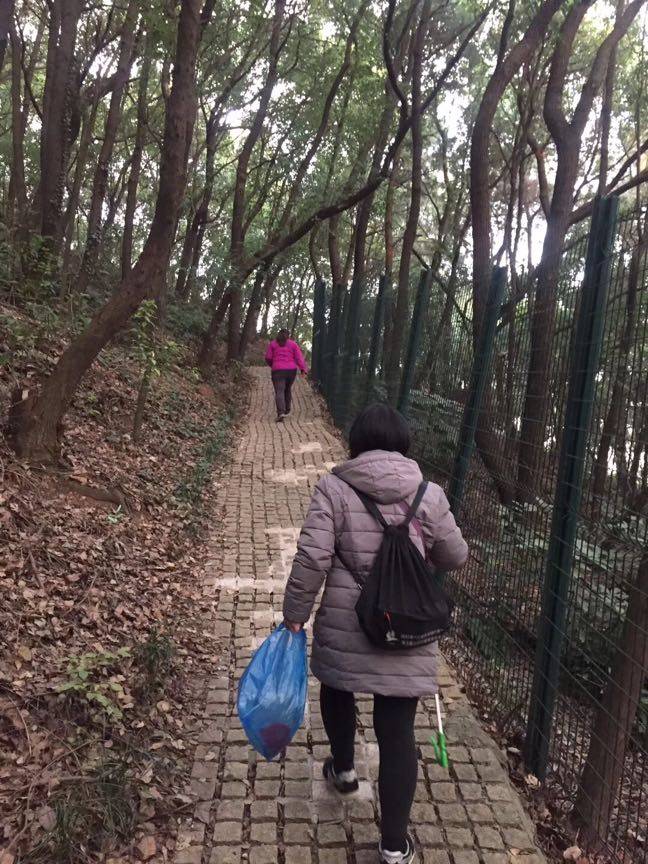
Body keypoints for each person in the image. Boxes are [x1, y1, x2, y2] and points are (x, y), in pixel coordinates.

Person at [283, 403, 468, 864]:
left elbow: (313, 557)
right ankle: (394, 845)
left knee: (337, 685)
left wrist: (295, 615)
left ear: (357, 443)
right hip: (407, 623)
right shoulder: (429, 494)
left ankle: (344, 769)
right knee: (397, 730)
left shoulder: (334, 487)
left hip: (349, 618)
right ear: (404, 443)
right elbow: (454, 555)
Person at [265, 328, 308, 422]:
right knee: (287, 389)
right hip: (291, 371)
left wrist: (273, 365)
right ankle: (287, 410)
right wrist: (303, 369)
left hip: (278, 371)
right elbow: (299, 358)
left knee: (279, 391)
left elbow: (268, 357)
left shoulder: (273, 344)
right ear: (288, 336)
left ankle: (281, 413)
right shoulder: (293, 344)